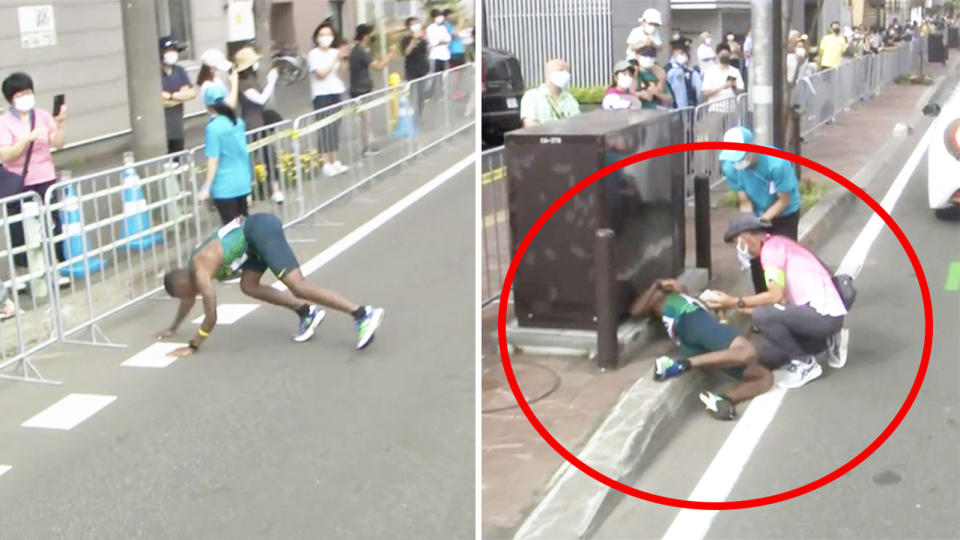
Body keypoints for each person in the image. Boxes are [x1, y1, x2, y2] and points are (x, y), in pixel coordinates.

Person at [158, 212, 385, 357]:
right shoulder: (191, 270)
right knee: (249, 285)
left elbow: (211, 317)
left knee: (297, 285)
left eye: (183, 295)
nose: (187, 299)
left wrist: (194, 345)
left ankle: (362, 314)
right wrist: (174, 327)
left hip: (259, 230)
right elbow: (187, 301)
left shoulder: (201, 270)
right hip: (251, 245)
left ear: (185, 285)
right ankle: (306, 312)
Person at [702, 214, 847, 389]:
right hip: (824, 313)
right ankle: (828, 340)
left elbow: (775, 296)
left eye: (736, 243)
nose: (738, 249)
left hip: (822, 316)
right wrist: (736, 307)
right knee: (769, 356)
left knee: (763, 316)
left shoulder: (770, 252)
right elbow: (778, 306)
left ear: (745, 237)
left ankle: (805, 364)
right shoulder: (779, 244)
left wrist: (733, 301)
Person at [631, 278, 772, 420]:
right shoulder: (665, 297)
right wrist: (657, 285)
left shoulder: (684, 296)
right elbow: (636, 311)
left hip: (697, 337)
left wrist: (720, 313)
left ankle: (722, 399)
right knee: (747, 352)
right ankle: (680, 364)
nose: (678, 284)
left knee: (763, 377)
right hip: (692, 319)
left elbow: (685, 290)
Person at [718, 126, 802, 294]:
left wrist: (762, 221)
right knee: (756, 257)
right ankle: (763, 301)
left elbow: (784, 200)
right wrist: (747, 229)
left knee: (781, 258)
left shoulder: (776, 163)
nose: (737, 163)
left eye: (740, 157)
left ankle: (788, 300)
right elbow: (744, 201)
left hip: (784, 214)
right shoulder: (730, 167)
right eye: (733, 159)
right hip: (757, 212)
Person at [0, 72, 67, 268]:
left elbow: (59, 143)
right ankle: (24, 270)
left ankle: (56, 265)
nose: (25, 97)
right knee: (20, 228)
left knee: (52, 221)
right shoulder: (4, 122)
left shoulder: (43, 115)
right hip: (17, 182)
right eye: (19, 94)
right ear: (11, 99)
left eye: (28, 92)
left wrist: (60, 124)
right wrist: (27, 139)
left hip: (45, 178)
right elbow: (6, 155)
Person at [234, 46, 284, 205]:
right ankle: (247, 194)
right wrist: (271, 82)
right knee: (248, 160)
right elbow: (260, 99)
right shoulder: (244, 84)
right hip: (251, 124)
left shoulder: (251, 80)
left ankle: (275, 189)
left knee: (269, 156)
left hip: (260, 122)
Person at [198, 84, 251, 224]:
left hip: (224, 186)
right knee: (243, 225)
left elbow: (213, 159)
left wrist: (206, 187)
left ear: (209, 106)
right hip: (242, 181)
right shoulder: (237, 122)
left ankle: (240, 247)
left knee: (233, 232)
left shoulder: (213, 128)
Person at [308, 21, 349, 177]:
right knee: (325, 127)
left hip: (336, 91)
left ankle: (335, 160)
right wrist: (335, 59)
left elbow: (343, 73)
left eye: (329, 34)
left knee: (335, 127)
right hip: (321, 94)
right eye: (322, 34)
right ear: (317, 37)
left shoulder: (334, 52)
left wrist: (343, 59)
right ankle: (325, 161)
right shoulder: (313, 54)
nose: (326, 37)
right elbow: (321, 74)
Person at [350, 24, 397, 157]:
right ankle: (365, 149)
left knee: (367, 119)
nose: (372, 36)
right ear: (365, 36)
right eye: (370, 34)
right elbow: (379, 66)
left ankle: (367, 144)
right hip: (360, 90)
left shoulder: (361, 50)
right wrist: (390, 54)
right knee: (366, 120)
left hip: (362, 88)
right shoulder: (360, 51)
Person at [159, 36, 196, 155]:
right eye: (169, 51)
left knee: (177, 159)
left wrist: (170, 96)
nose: (173, 54)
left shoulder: (179, 70)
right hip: (160, 129)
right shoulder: (155, 73)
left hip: (177, 127)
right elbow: (159, 100)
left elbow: (192, 93)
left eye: (174, 51)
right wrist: (180, 95)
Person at [519, 59, 580, 127]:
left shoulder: (569, 98)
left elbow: (577, 123)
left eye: (567, 71)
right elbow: (529, 124)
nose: (564, 73)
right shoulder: (532, 96)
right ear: (547, 73)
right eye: (560, 70)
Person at [401, 17, 431, 119]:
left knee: (421, 95)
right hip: (411, 71)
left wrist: (426, 40)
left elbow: (427, 52)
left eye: (418, 24)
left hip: (423, 70)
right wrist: (413, 41)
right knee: (411, 94)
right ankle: (409, 114)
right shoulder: (406, 39)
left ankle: (419, 115)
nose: (416, 26)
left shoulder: (422, 39)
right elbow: (406, 53)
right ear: (408, 26)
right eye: (414, 24)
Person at [666, 39, 702, 108]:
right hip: (676, 110)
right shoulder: (672, 70)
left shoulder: (691, 71)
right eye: (682, 53)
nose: (685, 55)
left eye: (686, 53)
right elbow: (680, 97)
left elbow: (699, 92)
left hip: (690, 108)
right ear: (674, 52)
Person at [426, 8, 452, 73]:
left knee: (444, 77)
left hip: (445, 55)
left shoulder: (443, 27)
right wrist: (441, 42)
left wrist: (442, 41)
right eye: (437, 16)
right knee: (435, 77)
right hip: (435, 56)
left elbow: (448, 39)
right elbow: (433, 42)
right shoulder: (430, 28)